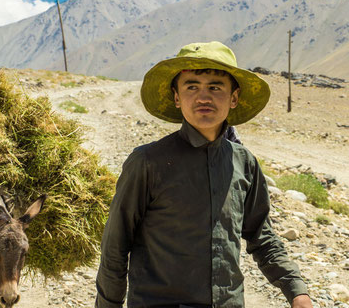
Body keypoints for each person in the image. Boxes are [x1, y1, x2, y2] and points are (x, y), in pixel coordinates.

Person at [95, 41, 313, 308]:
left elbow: (261, 236)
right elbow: (115, 246)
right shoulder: (147, 162)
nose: (203, 97)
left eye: (215, 87)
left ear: (233, 98)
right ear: (177, 97)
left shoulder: (244, 163)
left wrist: (296, 291)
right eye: (191, 86)